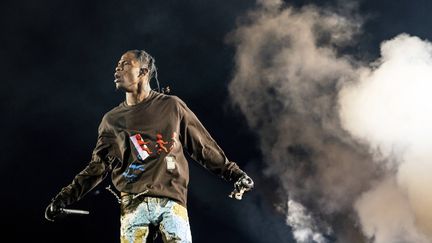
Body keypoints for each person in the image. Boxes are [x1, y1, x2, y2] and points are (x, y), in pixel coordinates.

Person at [45, 50, 254, 243]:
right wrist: (64, 198)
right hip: (133, 205)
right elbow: (98, 167)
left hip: (171, 201)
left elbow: (202, 146)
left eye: (125, 64)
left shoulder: (171, 106)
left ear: (143, 72)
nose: (117, 69)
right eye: (118, 65)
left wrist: (234, 174)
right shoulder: (112, 120)